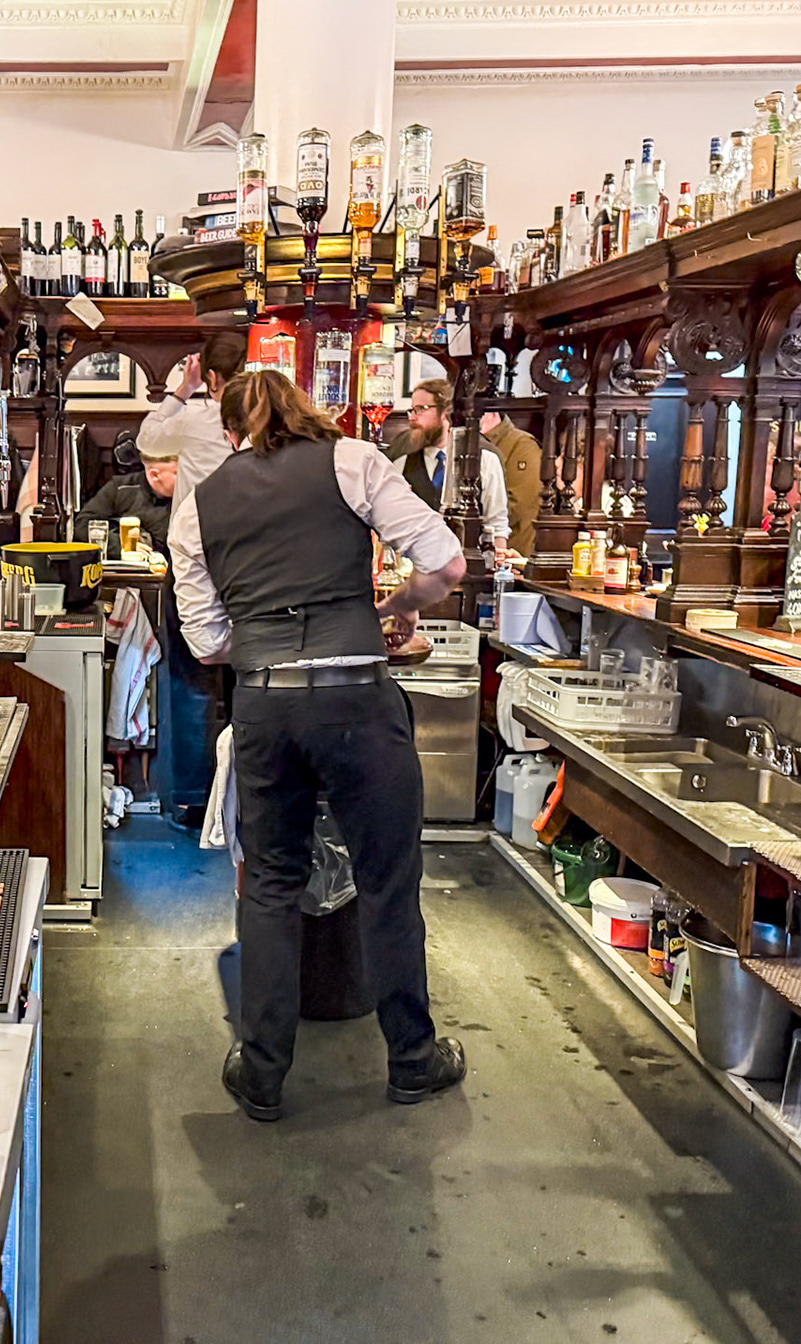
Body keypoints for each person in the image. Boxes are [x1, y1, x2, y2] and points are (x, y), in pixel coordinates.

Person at [168, 369, 468, 1121]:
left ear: (230, 432)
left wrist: (268, 637)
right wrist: (394, 608)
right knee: (388, 882)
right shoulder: (353, 460)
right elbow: (448, 565)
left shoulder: (196, 505)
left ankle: (264, 1071)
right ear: (307, 412)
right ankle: (411, 1059)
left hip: (266, 705)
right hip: (358, 699)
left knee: (270, 884)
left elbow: (206, 643)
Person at [388, 379, 510, 556]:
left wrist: (498, 565)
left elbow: (497, 524)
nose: (412, 418)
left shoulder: (486, 461)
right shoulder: (401, 464)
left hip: (468, 565)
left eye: (421, 409)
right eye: (411, 410)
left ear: (446, 412)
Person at [135, 330, 247, 509]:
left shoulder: (194, 420)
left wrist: (185, 388)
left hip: (195, 530)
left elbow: (146, 440)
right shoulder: (267, 417)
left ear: (212, 377)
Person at [75, 450, 176, 555]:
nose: (185, 477)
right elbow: (82, 525)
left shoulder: (188, 495)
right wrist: (120, 545)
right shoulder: (120, 488)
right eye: (177, 473)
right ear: (155, 475)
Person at [479, 409, 542, 557]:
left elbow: (520, 505)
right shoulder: (470, 445)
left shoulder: (521, 445)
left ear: (492, 414)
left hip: (512, 552)